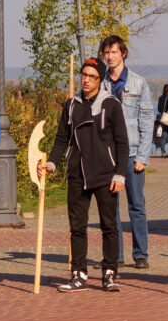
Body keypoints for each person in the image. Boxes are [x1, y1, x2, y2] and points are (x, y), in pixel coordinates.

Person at [41, 57, 129, 292]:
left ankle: (109, 273)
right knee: (77, 227)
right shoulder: (71, 105)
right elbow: (62, 138)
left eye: (92, 76)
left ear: (100, 80)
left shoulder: (111, 105)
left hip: (105, 174)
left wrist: (120, 174)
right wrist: (52, 163)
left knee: (109, 226)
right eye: (84, 74)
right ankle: (78, 274)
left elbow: (122, 142)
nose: (87, 80)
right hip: (78, 173)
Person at [100, 35, 154, 269]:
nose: (110, 57)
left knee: (136, 206)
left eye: (113, 52)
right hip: (108, 155)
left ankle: (140, 254)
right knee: (111, 208)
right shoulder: (100, 85)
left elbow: (147, 120)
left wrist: (142, 157)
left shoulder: (138, 83)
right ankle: (115, 255)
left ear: (123, 53)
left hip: (132, 154)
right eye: (106, 53)